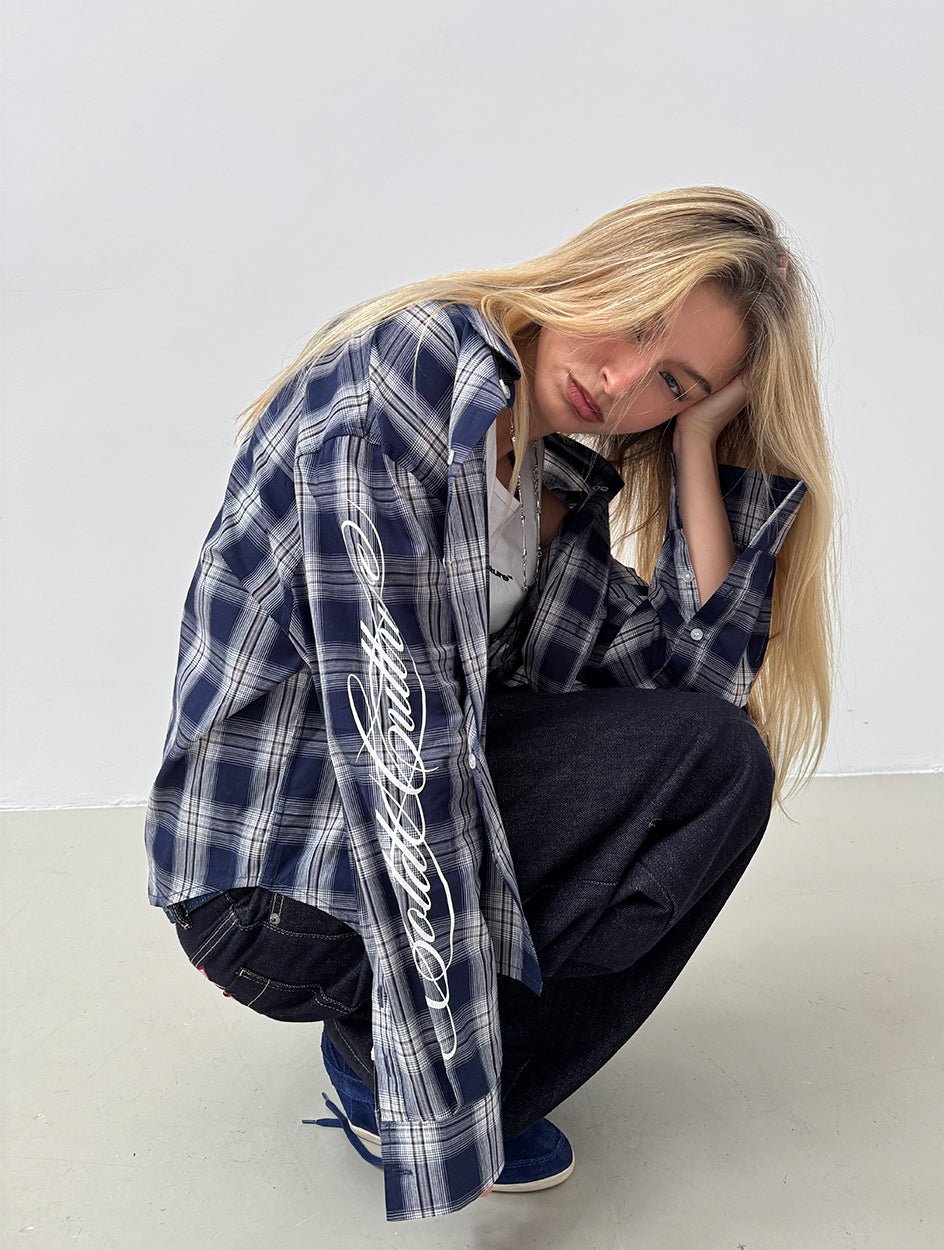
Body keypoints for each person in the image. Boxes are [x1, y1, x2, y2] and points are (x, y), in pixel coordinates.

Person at [144, 185, 839, 1223]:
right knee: (699, 763)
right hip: (271, 880)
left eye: (674, 382)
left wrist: (699, 447)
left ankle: (386, 1055)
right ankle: (403, 1080)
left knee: (719, 764)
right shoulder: (416, 372)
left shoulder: (551, 478)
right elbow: (398, 740)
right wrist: (443, 1110)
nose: (623, 379)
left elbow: (695, 696)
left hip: (359, 849)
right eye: (637, 319)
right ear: (600, 270)